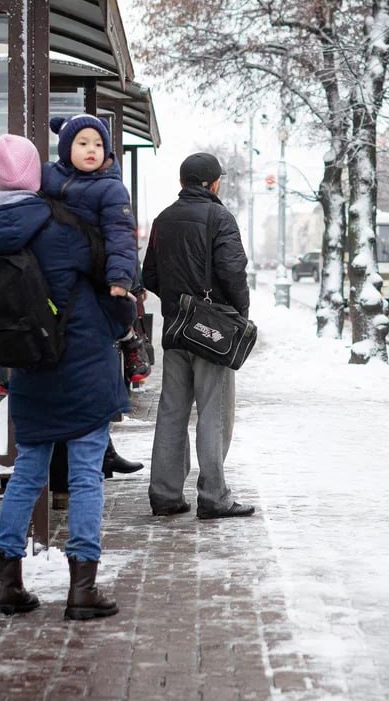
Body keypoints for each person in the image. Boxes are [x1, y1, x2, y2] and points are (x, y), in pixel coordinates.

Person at [0, 133, 131, 621]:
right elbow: (112, 291)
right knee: (84, 475)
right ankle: (83, 588)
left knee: (28, 474)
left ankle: (6, 582)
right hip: (83, 363)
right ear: (38, 173)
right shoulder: (66, 226)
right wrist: (115, 327)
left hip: (30, 367)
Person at [142, 152, 255, 520]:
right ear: (214, 183)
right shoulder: (220, 217)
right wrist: (239, 313)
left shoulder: (163, 219)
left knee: (172, 411)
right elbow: (233, 271)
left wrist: (178, 303)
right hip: (212, 332)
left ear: (182, 182)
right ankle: (213, 496)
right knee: (214, 412)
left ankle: (165, 494)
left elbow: (150, 277)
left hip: (176, 329)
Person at [41, 114, 143, 506]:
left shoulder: (110, 188)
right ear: (67, 148)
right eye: (82, 143)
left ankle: (90, 463)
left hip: (94, 287)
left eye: (98, 144)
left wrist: (121, 277)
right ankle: (73, 471)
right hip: (58, 289)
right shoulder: (49, 179)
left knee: (86, 379)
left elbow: (121, 234)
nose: (91, 151)